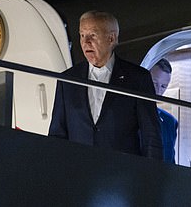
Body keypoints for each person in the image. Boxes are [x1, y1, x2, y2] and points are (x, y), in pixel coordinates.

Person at [49, 10, 163, 159]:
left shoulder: (137, 78)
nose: (85, 42)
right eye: (82, 35)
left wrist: (151, 177)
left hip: (121, 175)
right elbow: (57, 135)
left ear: (111, 38)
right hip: (78, 174)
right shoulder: (68, 79)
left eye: (93, 35)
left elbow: (151, 136)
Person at [150, 58, 179, 163]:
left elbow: (171, 162)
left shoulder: (170, 122)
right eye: (154, 83)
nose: (158, 91)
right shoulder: (127, 115)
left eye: (163, 86)